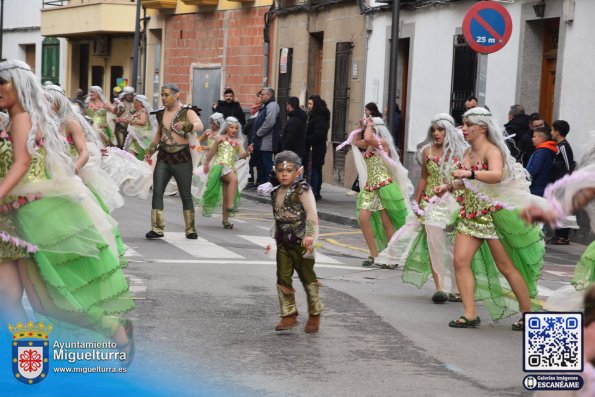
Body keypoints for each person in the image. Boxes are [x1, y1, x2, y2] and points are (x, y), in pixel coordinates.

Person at [0, 60, 134, 360]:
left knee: (45, 303)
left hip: (31, 214)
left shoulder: (21, 118)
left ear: (19, 85)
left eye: (3, 82)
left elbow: (22, 164)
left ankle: (114, 329)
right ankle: (22, 360)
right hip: (10, 219)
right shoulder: (12, 119)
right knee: (9, 298)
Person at [434, 107, 545, 330]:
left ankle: (528, 314)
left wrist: (470, 174)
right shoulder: (467, 153)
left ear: (482, 127)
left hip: (494, 217)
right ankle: (470, 314)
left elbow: (496, 175)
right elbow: (467, 182)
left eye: (468, 125)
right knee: (460, 261)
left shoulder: (492, 151)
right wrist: (448, 186)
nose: (463, 129)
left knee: (506, 266)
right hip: (471, 214)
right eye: (463, 124)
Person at [378, 114, 466, 303]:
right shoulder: (427, 151)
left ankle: (457, 288)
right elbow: (424, 178)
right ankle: (440, 287)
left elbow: (467, 181)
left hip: (456, 203)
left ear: (449, 131)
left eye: (440, 129)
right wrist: (416, 203)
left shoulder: (461, 153)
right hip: (431, 203)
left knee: (456, 247)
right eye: (433, 129)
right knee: (435, 244)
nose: (436, 133)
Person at [337, 117, 412, 267]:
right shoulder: (370, 144)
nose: (367, 131)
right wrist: (359, 127)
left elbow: (368, 138)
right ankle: (374, 254)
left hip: (384, 186)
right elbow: (356, 142)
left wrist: (368, 126)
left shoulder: (382, 143)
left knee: (387, 222)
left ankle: (391, 257)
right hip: (371, 186)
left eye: (370, 129)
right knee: (363, 218)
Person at [269, 150, 323, 333]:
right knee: (283, 277)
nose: (284, 174)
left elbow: (311, 213)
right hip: (283, 242)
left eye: (289, 170)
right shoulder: (275, 191)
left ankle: (315, 314)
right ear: (275, 171)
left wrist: (309, 235)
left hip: (301, 242)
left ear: (298, 172)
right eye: (280, 170)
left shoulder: (302, 190)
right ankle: (288, 315)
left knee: (307, 277)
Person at [144, 83, 203, 240]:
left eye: (166, 95)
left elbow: (199, 125)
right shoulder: (160, 113)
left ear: (177, 95)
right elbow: (159, 133)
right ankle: (157, 228)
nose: (163, 98)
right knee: (157, 191)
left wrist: (187, 125)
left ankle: (190, 229)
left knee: (185, 194)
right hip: (163, 156)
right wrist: (151, 149)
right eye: (162, 95)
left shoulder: (186, 112)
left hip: (181, 156)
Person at [199, 117, 252, 229]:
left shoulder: (238, 142)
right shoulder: (220, 139)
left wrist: (248, 152)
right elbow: (212, 153)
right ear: (227, 128)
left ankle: (225, 220)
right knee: (234, 180)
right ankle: (231, 206)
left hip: (230, 168)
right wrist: (206, 164)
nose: (234, 130)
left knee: (226, 195)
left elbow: (242, 155)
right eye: (232, 127)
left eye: (236, 128)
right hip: (220, 166)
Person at [548, 119, 576, 245]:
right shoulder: (558, 146)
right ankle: (558, 235)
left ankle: (563, 237)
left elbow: (568, 164)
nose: (551, 132)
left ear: (557, 132)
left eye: (552, 130)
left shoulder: (564, 146)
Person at [304, 95, 330, 201]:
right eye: (308, 103)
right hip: (313, 146)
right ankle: (314, 190)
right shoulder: (313, 115)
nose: (308, 106)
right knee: (314, 168)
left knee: (314, 168)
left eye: (310, 104)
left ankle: (314, 191)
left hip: (316, 147)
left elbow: (319, 133)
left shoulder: (319, 116)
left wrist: (308, 139)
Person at [253, 87, 281, 185]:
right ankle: (263, 183)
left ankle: (271, 183)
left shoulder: (272, 105)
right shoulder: (266, 105)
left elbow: (269, 122)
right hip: (261, 141)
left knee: (267, 163)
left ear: (269, 95)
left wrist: (258, 133)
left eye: (263, 94)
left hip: (267, 141)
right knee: (261, 164)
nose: (261, 96)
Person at [123, 94, 157, 160]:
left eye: (136, 101)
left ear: (140, 103)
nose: (134, 102)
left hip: (142, 138)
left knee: (139, 156)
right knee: (131, 156)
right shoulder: (137, 112)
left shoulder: (143, 111)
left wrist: (132, 122)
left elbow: (142, 122)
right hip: (135, 138)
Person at [526, 126, 558, 197]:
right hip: (542, 187)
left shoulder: (542, 151)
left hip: (537, 188)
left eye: (534, 137)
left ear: (541, 139)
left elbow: (534, 169)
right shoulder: (545, 149)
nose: (532, 139)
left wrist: (525, 178)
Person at [280, 96, 306, 160]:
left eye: (286, 105)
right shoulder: (299, 117)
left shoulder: (294, 120)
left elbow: (290, 138)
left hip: (292, 153)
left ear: (289, 105)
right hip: (297, 152)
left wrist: (284, 149)